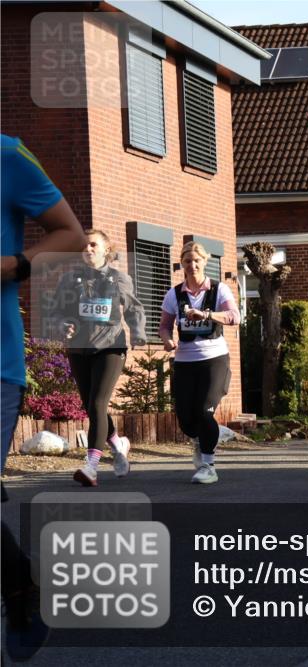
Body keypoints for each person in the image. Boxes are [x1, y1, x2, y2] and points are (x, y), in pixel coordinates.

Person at [2, 134, 86, 661]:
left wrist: (14, 264)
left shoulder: (7, 155)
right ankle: (17, 582)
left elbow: (71, 235)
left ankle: (18, 589)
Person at [55, 230, 147, 486]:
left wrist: (138, 333)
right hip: (79, 349)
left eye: (94, 245)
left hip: (110, 348)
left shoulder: (119, 279)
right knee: (92, 406)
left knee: (97, 403)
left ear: (106, 250)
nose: (88, 249)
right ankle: (118, 445)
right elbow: (57, 311)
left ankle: (91, 467)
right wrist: (64, 325)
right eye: (84, 246)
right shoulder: (69, 280)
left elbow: (134, 308)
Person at [159, 241, 240, 484]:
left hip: (214, 359)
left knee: (205, 412)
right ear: (181, 264)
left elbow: (234, 316)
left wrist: (207, 314)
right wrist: (167, 340)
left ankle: (208, 465)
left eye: (196, 260)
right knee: (186, 418)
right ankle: (198, 440)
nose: (192, 265)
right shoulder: (174, 294)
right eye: (187, 261)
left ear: (205, 262)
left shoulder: (218, 289)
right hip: (185, 361)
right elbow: (164, 326)